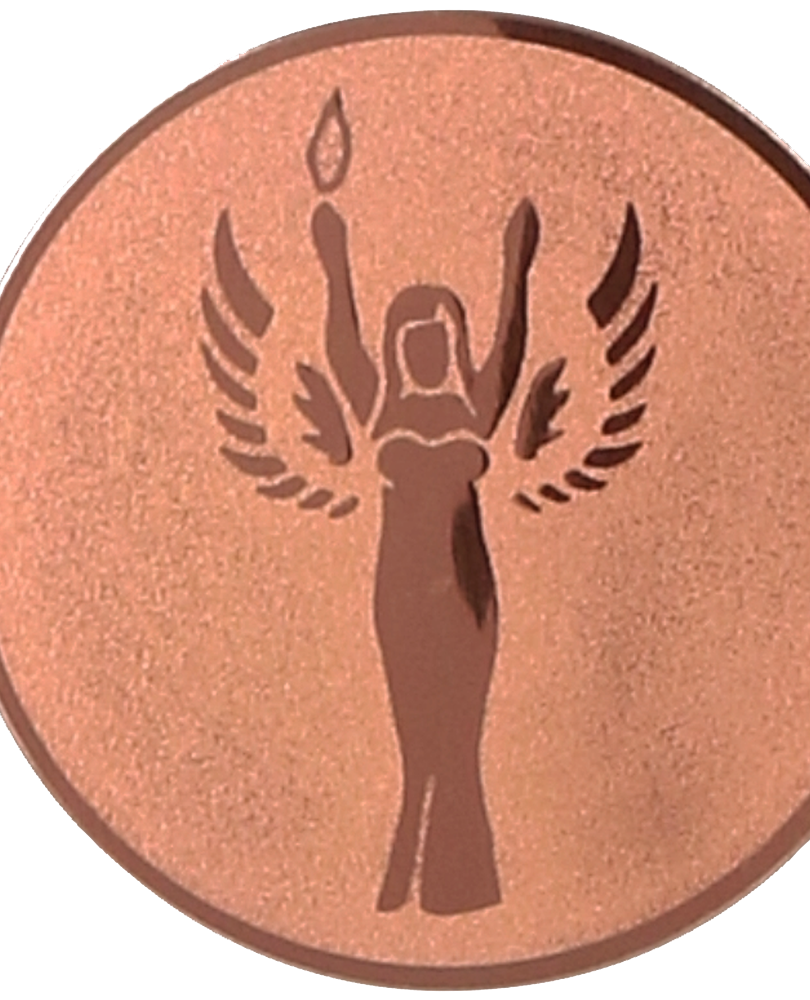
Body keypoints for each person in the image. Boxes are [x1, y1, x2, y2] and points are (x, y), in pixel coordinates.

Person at [311, 198, 540, 914]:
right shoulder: (383, 412)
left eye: (438, 337)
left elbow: (511, 348)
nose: (426, 350)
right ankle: (399, 884)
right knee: (416, 741)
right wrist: (334, 261)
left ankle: (461, 885)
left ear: (453, 343)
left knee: (461, 738)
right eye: (412, 339)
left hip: (469, 592)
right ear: (398, 347)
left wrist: (518, 263)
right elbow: (342, 350)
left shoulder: (475, 410)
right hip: (403, 587)